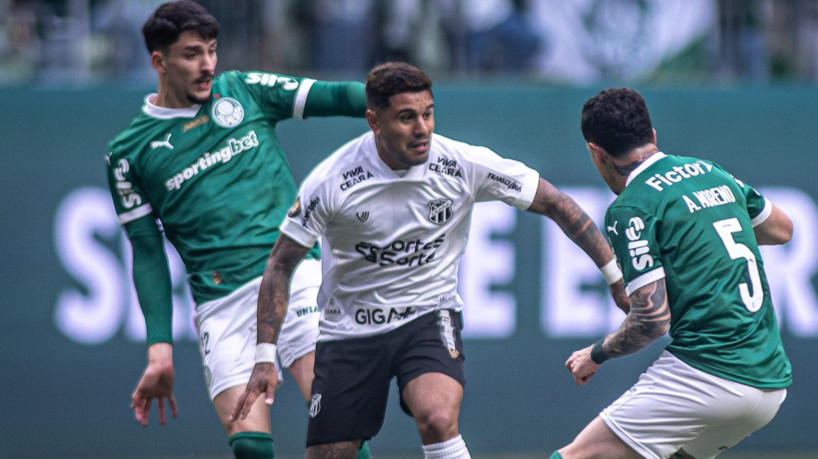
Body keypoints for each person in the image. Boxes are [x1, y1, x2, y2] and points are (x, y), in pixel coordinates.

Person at [232, 61, 629, 458]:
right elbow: (281, 264)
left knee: (438, 417)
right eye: (406, 118)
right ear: (374, 121)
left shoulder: (460, 163)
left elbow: (557, 204)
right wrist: (265, 356)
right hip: (349, 332)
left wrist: (613, 275)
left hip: (427, 316)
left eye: (427, 113)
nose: (422, 129)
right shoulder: (332, 181)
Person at [104, 2, 371, 458]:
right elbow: (146, 252)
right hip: (221, 303)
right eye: (192, 54)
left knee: (336, 424)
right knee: (251, 448)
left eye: (211, 50)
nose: (207, 64)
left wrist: (397, 99)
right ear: (159, 61)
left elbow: (336, 95)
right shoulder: (127, 154)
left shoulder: (243, 90)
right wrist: (159, 349)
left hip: (293, 275)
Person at [551, 88, 793, 459]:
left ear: (595, 153)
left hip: (708, 374)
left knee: (575, 456)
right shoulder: (711, 173)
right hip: (771, 383)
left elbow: (652, 320)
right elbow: (781, 229)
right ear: (652, 135)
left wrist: (595, 354)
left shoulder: (631, 207)